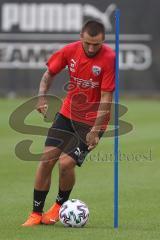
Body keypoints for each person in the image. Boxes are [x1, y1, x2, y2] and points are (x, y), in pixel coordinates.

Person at [22, 20, 115, 226]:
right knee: (46, 161)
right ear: (81, 36)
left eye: (96, 45)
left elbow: (107, 98)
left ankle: (57, 207)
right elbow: (48, 74)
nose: (91, 48)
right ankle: (36, 213)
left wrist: (96, 130)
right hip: (66, 114)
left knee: (66, 163)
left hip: (92, 123)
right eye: (88, 43)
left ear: (103, 41)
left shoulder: (110, 58)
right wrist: (41, 97)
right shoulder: (69, 50)